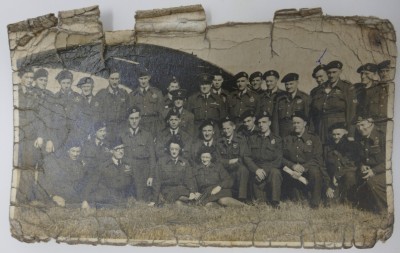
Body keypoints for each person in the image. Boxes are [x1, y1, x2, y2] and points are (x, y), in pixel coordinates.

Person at [282, 112, 323, 208]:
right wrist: (293, 166)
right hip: (292, 168)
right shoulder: (288, 138)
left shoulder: (314, 138)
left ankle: (314, 203)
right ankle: (294, 199)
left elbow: (317, 158)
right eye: (294, 123)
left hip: (308, 168)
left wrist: (303, 168)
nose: (296, 125)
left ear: (305, 123)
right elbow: (281, 157)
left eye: (298, 123)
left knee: (316, 172)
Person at [310, 61, 354, 145]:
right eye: (329, 73)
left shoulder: (347, 87)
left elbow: (351, 112)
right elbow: (313, 112)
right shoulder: (319, 89)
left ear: (340, 72)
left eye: (334, 72)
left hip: (339, 127)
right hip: (321, 127)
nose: (331, 75)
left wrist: (350, 132)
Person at [119, 107, 157, 203]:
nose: (134, 121)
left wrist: (151, 175)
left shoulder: (147, 135)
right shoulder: (122, 135)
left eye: (136, 118)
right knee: (124, 200)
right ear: (128, 119)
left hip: (142, 171)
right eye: (132, 118)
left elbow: (152, 157)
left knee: (141, 200)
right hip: (127, 169)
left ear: (140, 118)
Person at [84, 137, 135, 208]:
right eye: (117, 149)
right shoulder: (104, 166)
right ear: (111, 151)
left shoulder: (127, 164)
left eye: (122, 148)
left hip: (122, 199)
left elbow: (132, 184)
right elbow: (92, 183)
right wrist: (85, 200)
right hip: (107, 200)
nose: (121, 152)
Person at [36, 139, 88, 207]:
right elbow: (51, 181)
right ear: (68, 151)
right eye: (73, 151)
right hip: (61, 191)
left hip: (73, 192)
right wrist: (54, 196)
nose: (75, 154)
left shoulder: (81, 163)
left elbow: (81, 182)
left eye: (78, 151)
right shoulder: (61, 162)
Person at [215, 116, 256, 201]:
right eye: (224, 129)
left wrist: (231, 164)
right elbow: (217, 160)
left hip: (237, 169)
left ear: (233, 127)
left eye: (228, 128)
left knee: (243, 169)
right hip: (224, 170)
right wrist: (229, 161)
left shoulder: (241, 140)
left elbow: (243, 158)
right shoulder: (219, 142)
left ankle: (242, 198)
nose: (226, 131)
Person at [247, 111, 283, 207]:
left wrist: (264, 171)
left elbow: (278, 160)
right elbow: (246, 157)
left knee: (276, 172)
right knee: (260, 204)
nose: (261, 125)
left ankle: (275, 202)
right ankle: (261, 200)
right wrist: (256, 170)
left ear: (269, 123)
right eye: (259, 123)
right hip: (256, 171)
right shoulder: (252, 138)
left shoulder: (277, 140)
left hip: (270, 170)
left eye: (264, 122)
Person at [354, 114, 387, 213]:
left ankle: (387, 211)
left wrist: (374, 171)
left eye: (363, 125)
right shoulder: (361, 138)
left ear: (371, 123)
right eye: (358, 126)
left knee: (373, 182)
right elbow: (361, 157)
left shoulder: (383, 136)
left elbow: (392, 160)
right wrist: (362, 165)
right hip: (373, 171)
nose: (360, 128)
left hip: (389, 172)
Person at [154, 138, 196, 206]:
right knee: (179, 200)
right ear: (168, 149)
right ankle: (190, 201)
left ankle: (188, 202)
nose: (174, 151)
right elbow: (157, 181)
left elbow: (189, 179)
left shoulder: (185, 162)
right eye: (172, 149)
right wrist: (154, 199)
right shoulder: (161, 162)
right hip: (167, 190)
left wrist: (192, 192)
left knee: (178, 203)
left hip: (181, 189)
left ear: (180, 150)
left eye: (176, 149)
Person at [325, 122, 358, 204]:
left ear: (345, 133)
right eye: (334, 134)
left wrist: (337, 175)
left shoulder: (352, 146)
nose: (336, 137)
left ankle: (350, 200)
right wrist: (329, 184)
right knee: (330, 203)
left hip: (346, 178)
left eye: (339, 134)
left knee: (350, 175)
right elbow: (324, 166)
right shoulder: (327, 147)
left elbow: (351, 165)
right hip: (332, 180)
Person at [96, 69, 130, 140]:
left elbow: (128, 112)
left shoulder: (124, 94)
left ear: (119, 79)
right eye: (112, 79)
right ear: (108, 79)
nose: (114, 82)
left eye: (116, 79)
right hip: (106, 129)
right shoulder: (101, 94)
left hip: (121, 129)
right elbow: (97, 114)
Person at [273, 73, 310, 138]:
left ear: (297, 83)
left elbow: (308, 119)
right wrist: (276, 135)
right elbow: (275, 119)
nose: (288, 87)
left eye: (291, 84)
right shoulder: (280, 98)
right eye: (286, 84)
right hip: (282, 132)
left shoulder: (304, 98)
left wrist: (305, 135)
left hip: (297, 131)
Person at [129, 68, 164, 137]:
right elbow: (131, 113)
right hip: (140, 124)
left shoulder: (157, 92)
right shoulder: (133, 94)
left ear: (149, 78)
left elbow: (162, 111)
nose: (143, 81)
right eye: (141, 79)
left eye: (145, 78)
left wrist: (160, 128)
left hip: (154, 125)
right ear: (138, 79)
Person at [53, 70, 81, 141]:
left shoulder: (78, 97)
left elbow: (83, 117)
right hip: (58, 135)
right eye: (63, 83)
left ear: (71, 82)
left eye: (68, 83)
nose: (66, 85)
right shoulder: (54, 98)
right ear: (60, 83)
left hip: (75, 135)